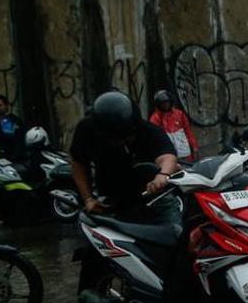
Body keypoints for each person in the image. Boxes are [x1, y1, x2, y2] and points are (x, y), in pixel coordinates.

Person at [69, 90, 180, 219]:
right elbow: (77, 162)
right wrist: (88, 198)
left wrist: (162, 176)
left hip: (150, 197)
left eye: (127, 137)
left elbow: (167, 158)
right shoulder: (87, 129)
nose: (124, 142)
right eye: (117, 139)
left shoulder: (146, 130)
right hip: (109, 200)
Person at [148, 90, 199, 162]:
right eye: (162, 103)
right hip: (168, 156)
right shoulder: (155, 118)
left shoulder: (179, 114)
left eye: (167, 102)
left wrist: (194, 146)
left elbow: (188, 131)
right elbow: (154, 139)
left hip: (185, 153)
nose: (165, 105)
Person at [0, 94, 24, 160]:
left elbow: (19, 141)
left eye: (0, 105)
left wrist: (15, 157)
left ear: (6, 105)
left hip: (11, 157)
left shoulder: (15, 120)